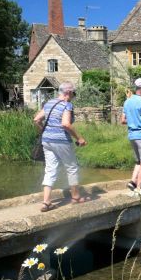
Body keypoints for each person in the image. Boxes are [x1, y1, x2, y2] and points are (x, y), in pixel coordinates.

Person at [33, 81, 87, 212]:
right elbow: (65, 124)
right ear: (68, 92)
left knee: (50, 169)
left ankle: (46, 202)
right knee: (72, 167)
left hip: (46, 140)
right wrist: (79, 138)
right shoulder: (67, 105)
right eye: (74, 93)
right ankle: (76, 198)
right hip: (61, 140)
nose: (74, 95)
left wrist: (44, 131)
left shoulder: (49, 102)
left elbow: (36, 119)